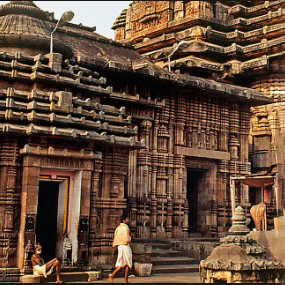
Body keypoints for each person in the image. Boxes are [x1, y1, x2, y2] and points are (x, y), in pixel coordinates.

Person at [109, 215, 132, 283]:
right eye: (127, 219)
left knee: (121, 264)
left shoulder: (118, 228)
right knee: (128, 263)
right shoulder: (125, 228)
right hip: (125, 246)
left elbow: (115, 237)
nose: (128, 220)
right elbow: (127, 238)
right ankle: (125, 280)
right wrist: (129, 239)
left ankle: (112, 275)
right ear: (124, 220)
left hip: (119, 246)